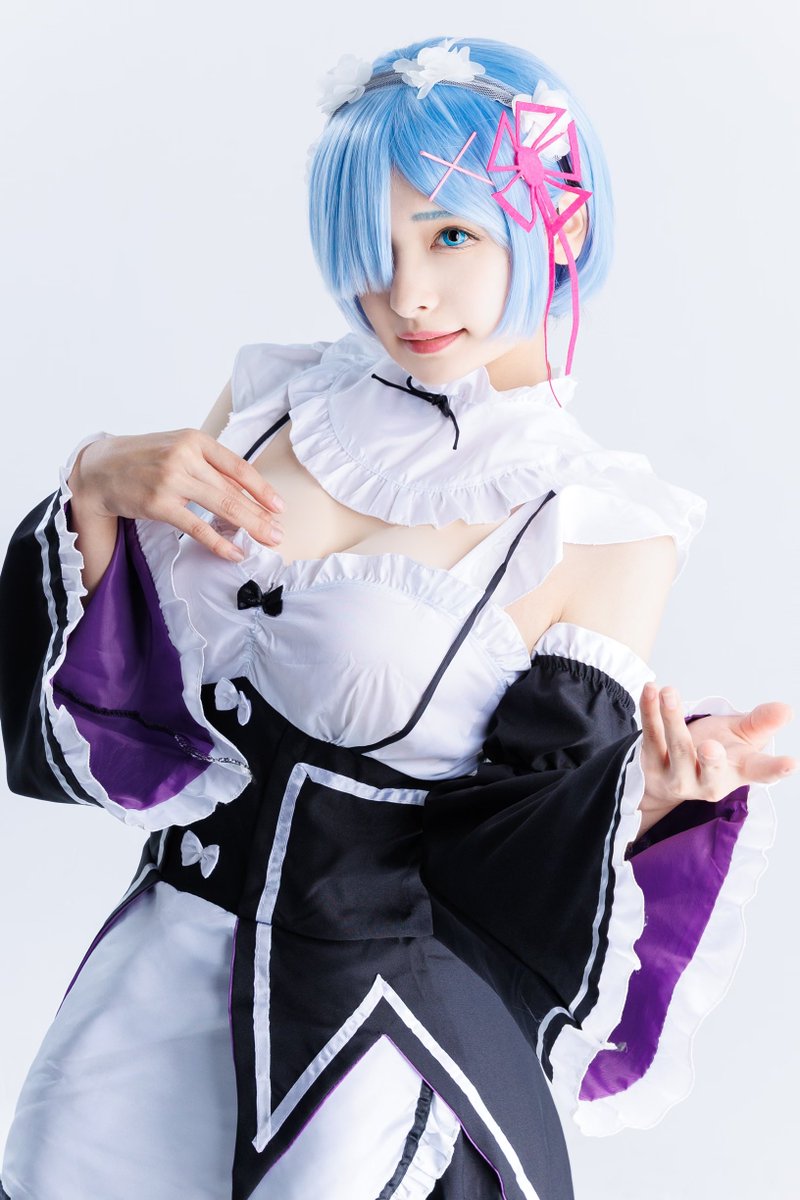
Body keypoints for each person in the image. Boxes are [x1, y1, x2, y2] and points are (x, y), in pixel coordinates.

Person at [0, 33, 795, 1200]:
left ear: (561, 221)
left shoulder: (602, 521)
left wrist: (646, 795)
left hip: (368, 1042)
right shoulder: (273, 396)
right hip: (151, 983)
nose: (404, 293)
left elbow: (507, 854)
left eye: (450, 236)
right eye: (372, 248)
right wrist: (95, 480)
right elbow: (133, 708)